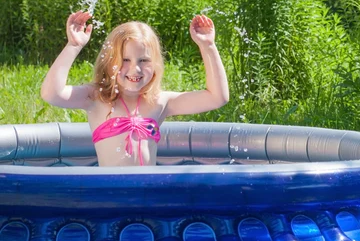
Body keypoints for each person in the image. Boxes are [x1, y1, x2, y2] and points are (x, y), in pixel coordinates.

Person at [41, 11, 229, 167]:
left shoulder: (159, 101)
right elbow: (52, 94)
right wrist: (73, 46)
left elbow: (217, 98)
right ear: (109, 62)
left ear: (155, 64)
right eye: (125, 60)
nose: (135, 69)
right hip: (111, 196)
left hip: (149, 196)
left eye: (144, 60)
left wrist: (208, 46)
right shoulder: (96, 98)